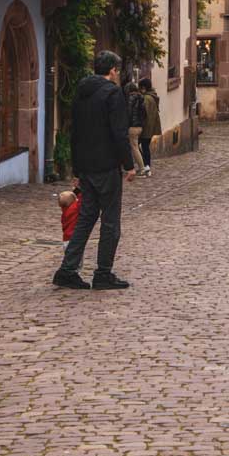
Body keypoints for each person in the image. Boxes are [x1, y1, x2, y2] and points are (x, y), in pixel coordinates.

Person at [53, 51, 135, 291]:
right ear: (112, 70)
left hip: (86, 167)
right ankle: (103, 273)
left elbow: (74, 132)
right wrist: (128, 164)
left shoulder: (81, 91)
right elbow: (119, 132)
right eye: (117, 70)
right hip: (106, 166)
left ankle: (68, 270)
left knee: (86, 218)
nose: (118, 74)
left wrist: (77, 167)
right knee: (110, 222)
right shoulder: (112, 93)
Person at [138, 78, 161, 177]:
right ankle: (146, 166)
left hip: (146, 127)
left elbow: (143, 113)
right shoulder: (152, 96)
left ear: (143, 88)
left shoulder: (147, 98)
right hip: (150, 126)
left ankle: (146, 166)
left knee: (139, 146)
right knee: (144, 146)